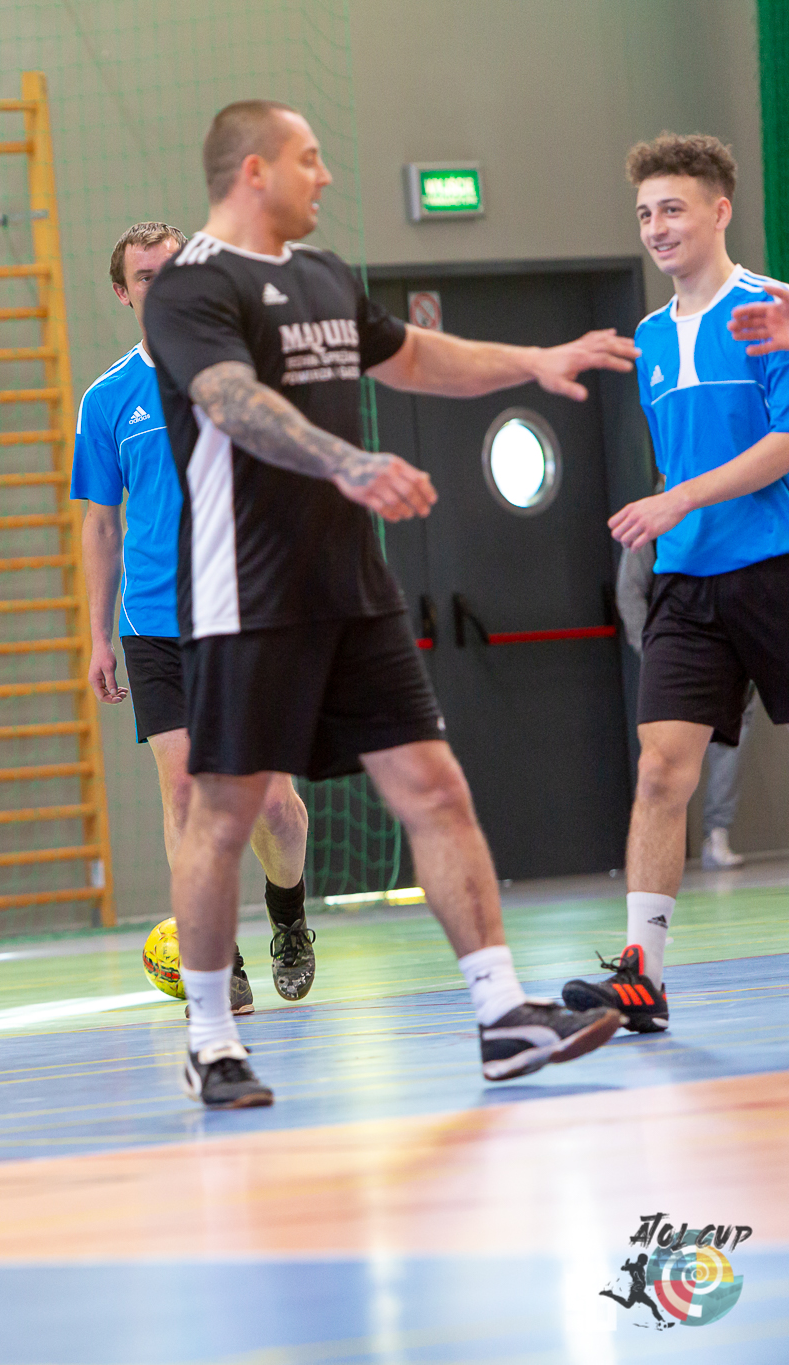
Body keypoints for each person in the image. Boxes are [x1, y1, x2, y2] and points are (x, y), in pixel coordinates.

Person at [142, 99, 635, 1107]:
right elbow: (231, 400)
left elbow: (412, 356)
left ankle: (501, 1015)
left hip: (352, 588)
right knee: (224, 812)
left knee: (434, 788)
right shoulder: (191, 285)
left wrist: (531, 362)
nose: (324, 175)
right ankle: (212, 1040)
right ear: (252, 170)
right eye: (308, 158)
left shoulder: (325, 274)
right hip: (246, 593)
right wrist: (349, 461)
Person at [564, 134, 789, 1032]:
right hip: (687, 584)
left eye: (673, 209)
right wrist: (672, 513)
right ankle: (643, 976)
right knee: (660, 769)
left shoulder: (770, 309)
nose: (656, 227)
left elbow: (784, 444)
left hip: (775, 566)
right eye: (644, 214)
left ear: (720, 211)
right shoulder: (652, 337)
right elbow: (682, 459)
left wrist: (681, 497)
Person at [75, 220, 313, 1013]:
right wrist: (98, 635)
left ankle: (288, 915)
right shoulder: (108, 398)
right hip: (153, 625)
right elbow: (101, 525)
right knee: (184, 797)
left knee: (272, 807)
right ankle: (218, 962)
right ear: (124, 293)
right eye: (146, 275)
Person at [616, 539, 756, 870]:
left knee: (732, 743)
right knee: (660, 766)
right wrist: (652, 651)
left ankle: (717, 832)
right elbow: (628, 591)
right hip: (679, 648)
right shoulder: (655, 528)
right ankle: (657, 861)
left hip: (738, 639)